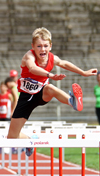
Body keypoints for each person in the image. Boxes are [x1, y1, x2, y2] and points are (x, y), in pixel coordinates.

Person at [7, 27, 93, 157]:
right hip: (26, 97)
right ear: (33, 47)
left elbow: (64, 63)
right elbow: (32, 68)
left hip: (41, 93)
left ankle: (73, 101)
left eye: (45, 46)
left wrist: (83, 72)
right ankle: (30, 140)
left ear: (50, 46)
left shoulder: (52, 58)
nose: (43, 49)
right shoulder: (28, 56)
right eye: (39, 46)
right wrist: (50, 74)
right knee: (12, 137)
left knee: (50, 88)